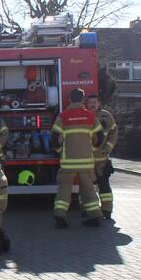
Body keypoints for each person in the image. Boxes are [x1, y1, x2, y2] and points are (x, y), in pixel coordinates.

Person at [51, 88, 105, 228]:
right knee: (88, 190)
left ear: (69, 99)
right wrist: (92, 149)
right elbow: (100, 137)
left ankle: (60, 218)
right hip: (86, 162)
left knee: (64, 190)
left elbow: (55, 137)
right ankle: (95, 217)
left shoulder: (63, 116)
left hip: (68, 162)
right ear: (82, 100)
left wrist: (60, 151)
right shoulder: (90, 116)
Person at [86, 93, 117, 219]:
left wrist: (107, 149)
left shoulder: (106, 116)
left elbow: (113, 133)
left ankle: (107, 210)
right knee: (87, 187)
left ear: (99, 103)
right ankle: (88, 210)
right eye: (90, 102)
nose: (93, 104)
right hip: (86, 159)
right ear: (86, 104)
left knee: (104, 186)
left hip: (101, 159)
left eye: (95, 102)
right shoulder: (84, 116)